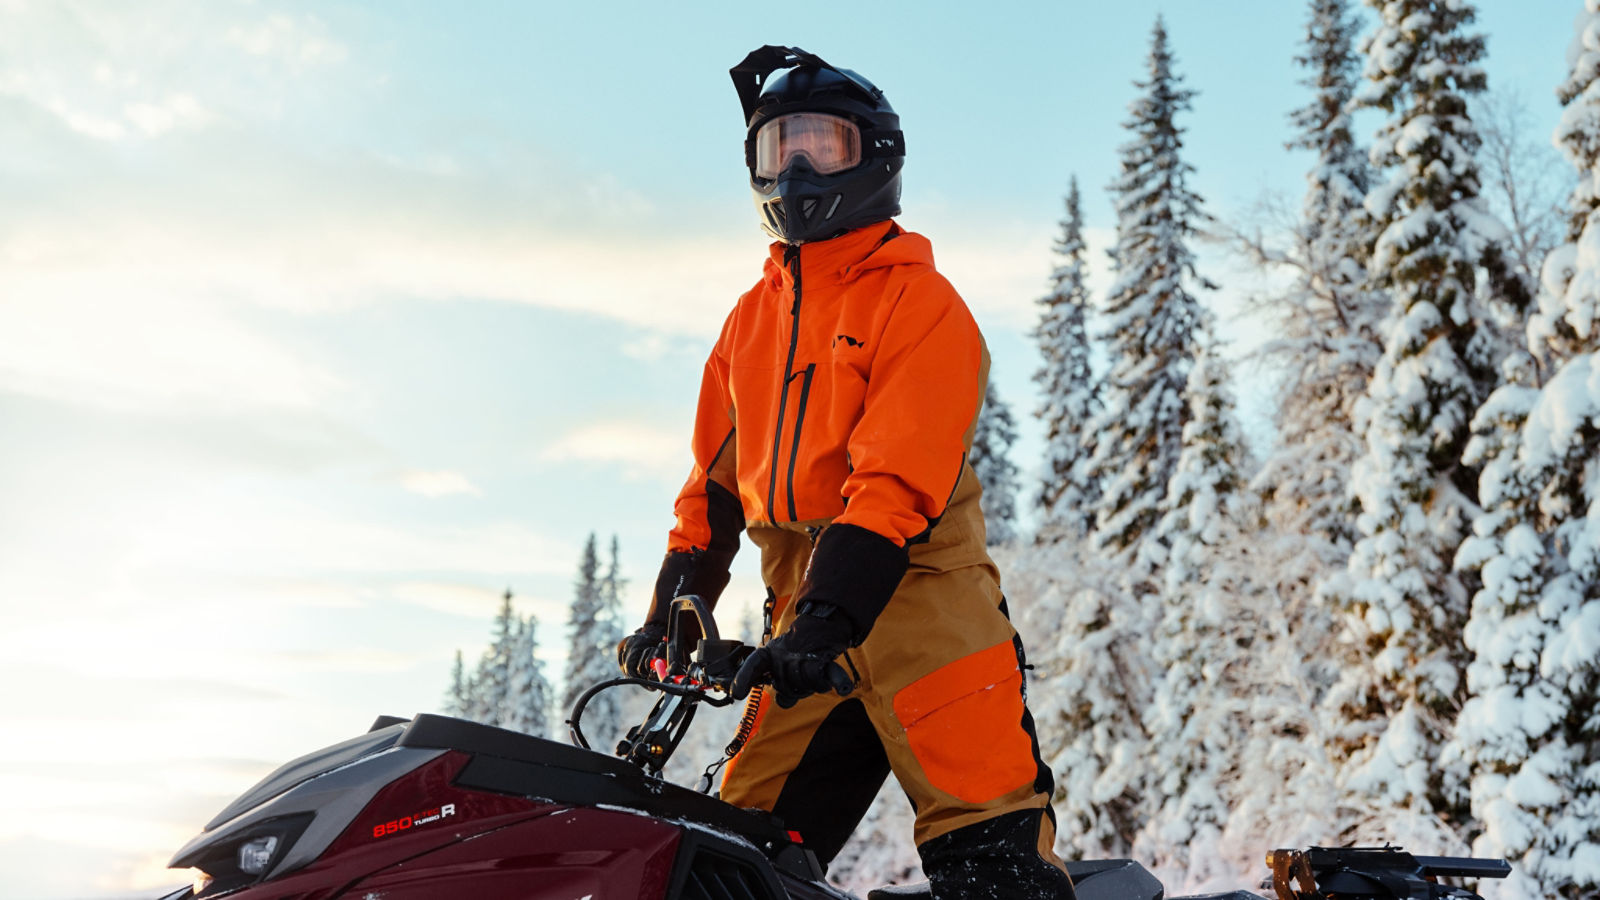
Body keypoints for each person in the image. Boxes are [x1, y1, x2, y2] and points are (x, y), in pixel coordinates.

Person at [618, 45, 1076, 900]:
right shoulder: (749, 323)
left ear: (875, 155)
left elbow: (897, 477)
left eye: (821, 146)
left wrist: (828, 617)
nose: (795, 170)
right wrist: (671, 611)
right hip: (802, 628)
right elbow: (713, 487)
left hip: (926, 614)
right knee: (731, 862)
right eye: (777, 148)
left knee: (993, 865)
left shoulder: (920, 303)